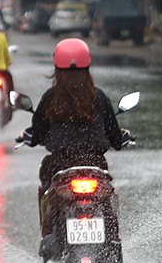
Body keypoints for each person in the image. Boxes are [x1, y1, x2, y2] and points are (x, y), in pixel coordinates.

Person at [17, 38, 131, 219]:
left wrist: (31, 137)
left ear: (56, 69)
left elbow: (37, 132)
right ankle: (112, 234)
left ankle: (48, 228)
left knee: (47, 188)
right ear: (87, 68)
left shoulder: (50, 97)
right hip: (94, 165)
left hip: (60, 165)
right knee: (108, 198)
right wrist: (121, 139)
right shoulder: (99, 96)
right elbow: (114, 137)